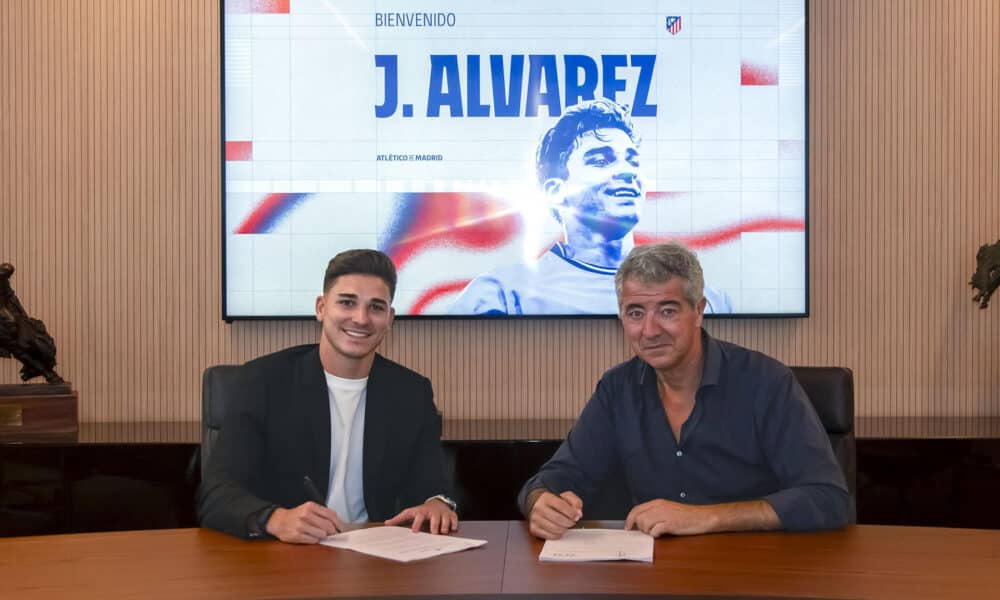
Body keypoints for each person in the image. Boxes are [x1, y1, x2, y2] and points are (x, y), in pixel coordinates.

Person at [518, 242, 849, 539]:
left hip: (755, 571)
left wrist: (705, 518)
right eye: (636, 313)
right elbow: (555, 477)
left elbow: (828, 499)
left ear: (699, 311)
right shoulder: (618, 389)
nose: (650, 330)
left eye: (667, 311)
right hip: (654, 577)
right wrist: (541, 503)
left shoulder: (767, 382)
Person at [198, 249, 458, 543]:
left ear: (389, 318)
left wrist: (437, 503)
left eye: (375, 307)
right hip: (285, 557)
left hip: (378, 558)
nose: (360, 318)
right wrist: (275, 519)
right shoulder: (263, 381)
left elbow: (433, 485)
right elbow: (216, 494)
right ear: (321, 308)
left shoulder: (411, 392)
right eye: (347, 303)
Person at [449, 99, 731, 315]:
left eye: (631, 160)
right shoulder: (502, 294)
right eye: (600, 160)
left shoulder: (708, 300)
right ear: (557, 192)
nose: (626, 171)